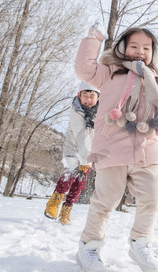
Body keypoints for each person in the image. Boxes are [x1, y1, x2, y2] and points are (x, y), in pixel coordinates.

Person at [73, 22, 158, 272]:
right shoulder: (110, 72)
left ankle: (140, 243)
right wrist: (93, 39)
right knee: (105, 201)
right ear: (122, 48)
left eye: (146, 47)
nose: (140, 51)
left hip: (149, 151)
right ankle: (89, 246)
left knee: (153, 196)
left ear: (154, 53)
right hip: (112, 150)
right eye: (133, 45)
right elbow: (83, 68)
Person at [44, 81, 100, 225]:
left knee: (80, 185)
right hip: (73, 150)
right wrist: (84, 161)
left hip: (87, 154)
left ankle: (67, 209)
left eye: (92, 96)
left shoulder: (101, 112)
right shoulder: (76, 110)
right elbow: (81, 135)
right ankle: (55, 202)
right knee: (70, 176)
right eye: (85, 95)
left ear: (98, 97)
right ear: (79, 96)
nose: (88, 100)